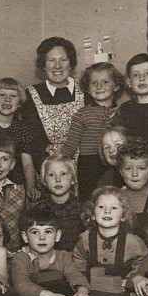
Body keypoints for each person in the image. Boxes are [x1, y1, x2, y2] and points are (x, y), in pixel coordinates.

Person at [22, 37, 86, 170]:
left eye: (63, 60)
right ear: (43, 65)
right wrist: (50, 170)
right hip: (49, 166)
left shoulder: (86, 89)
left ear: (71, 64)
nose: (58, 66)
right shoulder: (31, 94)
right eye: (51, 60)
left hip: (85, 165)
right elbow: (35, 142)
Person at [63, 62, 125, 198]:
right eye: (93, 83)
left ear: (117, 86)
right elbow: (70, 145)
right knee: (90, 199)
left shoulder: (123, 112)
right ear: (87, 88)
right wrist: (60, 162)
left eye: (105, 82)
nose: (99, 87)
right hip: (89, 164)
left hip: (116, 161)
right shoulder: (81, 114)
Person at [11, 204, 91, 296]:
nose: (42, 237)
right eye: (35, 232)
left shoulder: (63, 256)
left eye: (48, 232)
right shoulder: (21, 258)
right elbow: (21, 285)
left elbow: (75, 275)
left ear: (57, 236)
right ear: (25, 236)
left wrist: (82, 291)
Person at [71, 185, 148, 281]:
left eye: (114, 208)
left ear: (123, 216)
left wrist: (134, 278)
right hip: (94, 288)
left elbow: (144, 262)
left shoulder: (133, 242)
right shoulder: (85, 238)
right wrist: (82, 280)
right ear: (92, 214)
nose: (107, 211)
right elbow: (78, 258)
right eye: (101, 207)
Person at [0, 77, 35, 195]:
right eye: (2, 95)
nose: (7, 100)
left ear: (19, 103)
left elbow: (27, 162)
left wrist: (31, 186)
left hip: (17, 182)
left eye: (13, 96)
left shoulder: (22, 129)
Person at [31, 154, 84, 252]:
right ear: (44, 181)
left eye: (63, 174)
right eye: (51, 175)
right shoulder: (39, 209)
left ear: (73, 179)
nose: (57, 179)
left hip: (78, 260)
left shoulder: (82, 208)